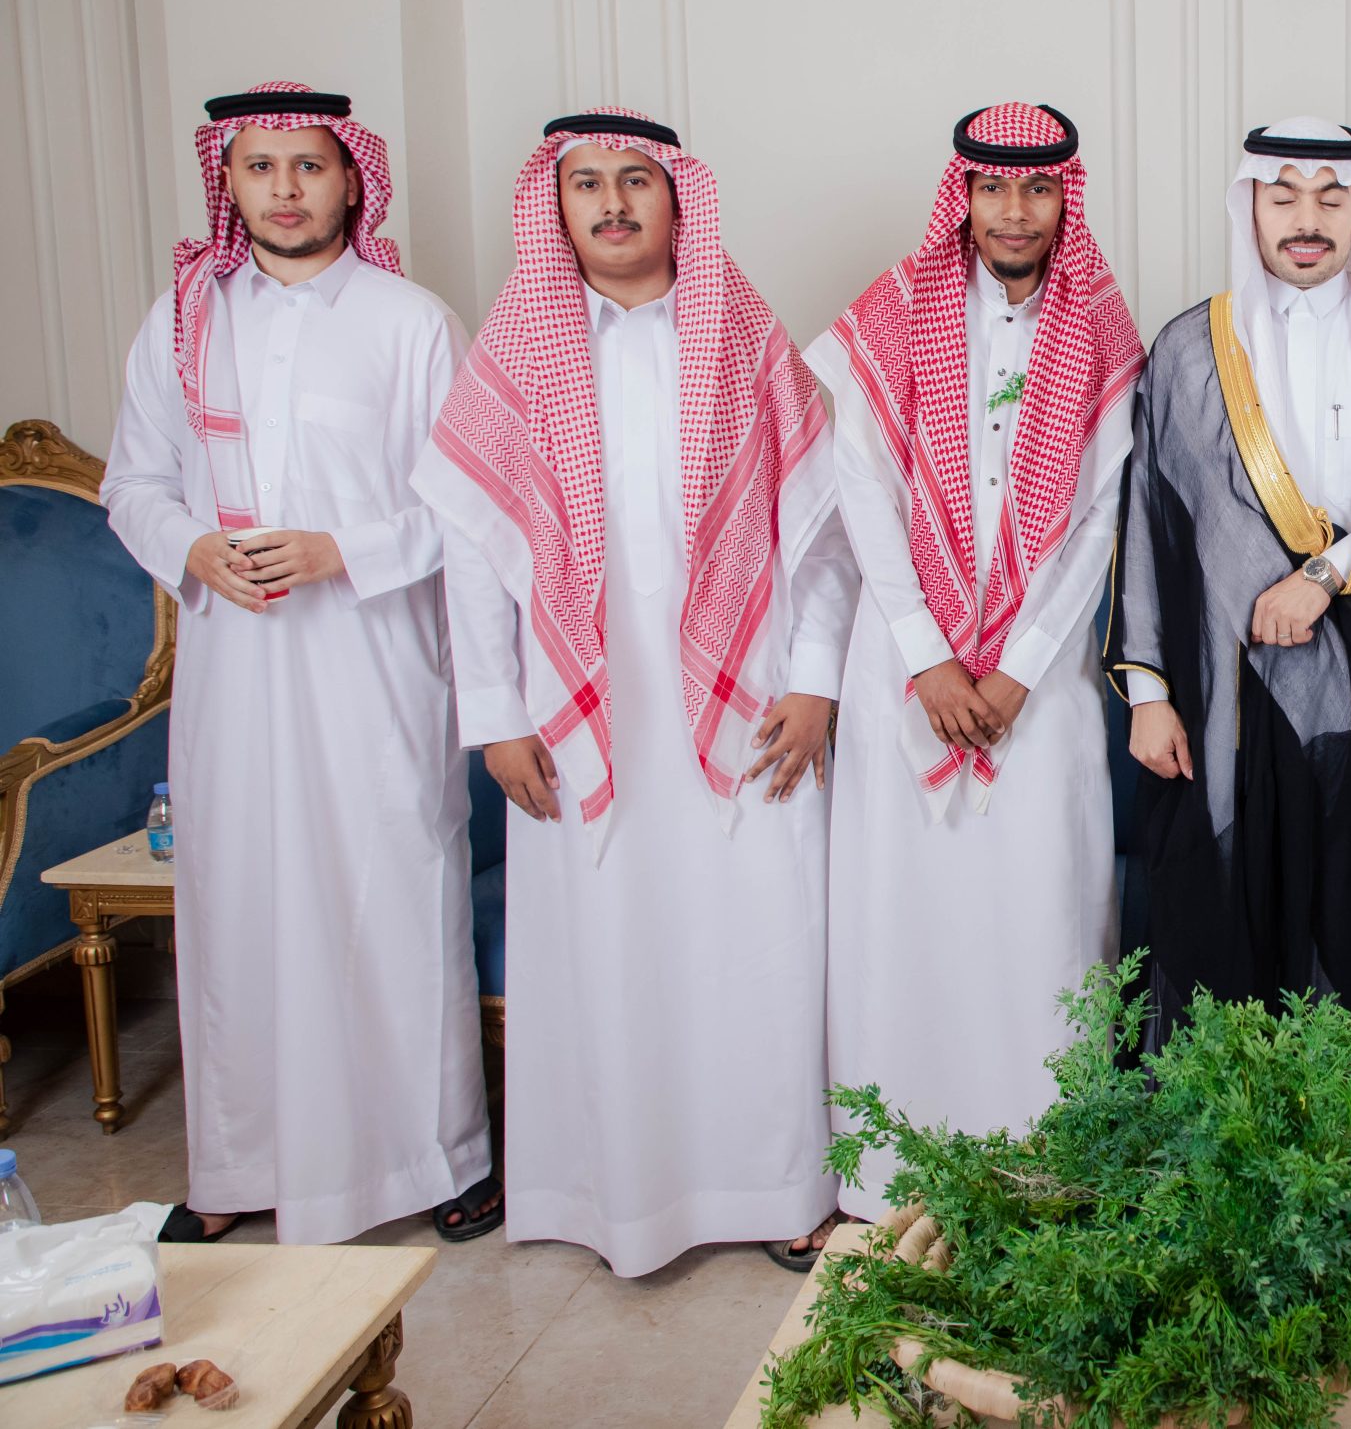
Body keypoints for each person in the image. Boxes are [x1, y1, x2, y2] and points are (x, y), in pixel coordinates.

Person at [414, 109, 853, 1276]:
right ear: (553, 207)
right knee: (604, 949)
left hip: (748, 705)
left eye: (636, 180)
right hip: (577, 716)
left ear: (677, 198)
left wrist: (816, 683)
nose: (611, 203)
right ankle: (603, 1197)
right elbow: (472, 549)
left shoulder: (744, 335)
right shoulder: (515, 351)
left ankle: (774, 1187)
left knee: (758, 939)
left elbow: (822, 534)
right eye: (586, 184)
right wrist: (496, 717)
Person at [101, 81, 493, 1246]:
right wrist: (192, 549)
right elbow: (134, 483)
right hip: (234, 670)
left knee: (390, 891)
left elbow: (465, 505)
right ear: (227, 179)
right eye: (260, 166)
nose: (284, 189)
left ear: (351, 178)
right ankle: (240, 1168)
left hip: (371, 665)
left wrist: (338, 551)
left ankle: (436, 1160)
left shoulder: (411, 322)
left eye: (308, 165)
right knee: (240, 901)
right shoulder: (182, 321)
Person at [1108, 119, 1351, 1100]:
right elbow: (1150, 524)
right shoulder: (1190, 347)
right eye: (1283, 194)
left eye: (1333, 198)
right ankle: (1230, 1169)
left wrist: (1325, 573)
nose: (1307, 219)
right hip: (1226, 706)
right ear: (1248, 206)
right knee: (1228, 928)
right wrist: (1149, 694)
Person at [813, 103, 1142, 1210]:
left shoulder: (1100, 328)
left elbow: (1101, 520)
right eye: (993, 187)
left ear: (1064, 199)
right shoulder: (891, 312)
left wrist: (1018, 665)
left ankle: (1042, 1179)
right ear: (961, 195)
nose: (1014, 210)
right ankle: (891, 1179)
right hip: (903, 679)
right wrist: (928, 657)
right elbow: (861, 491)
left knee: (1038, 922)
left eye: (1038, 188)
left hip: (1035, 694)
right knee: (900, 922)